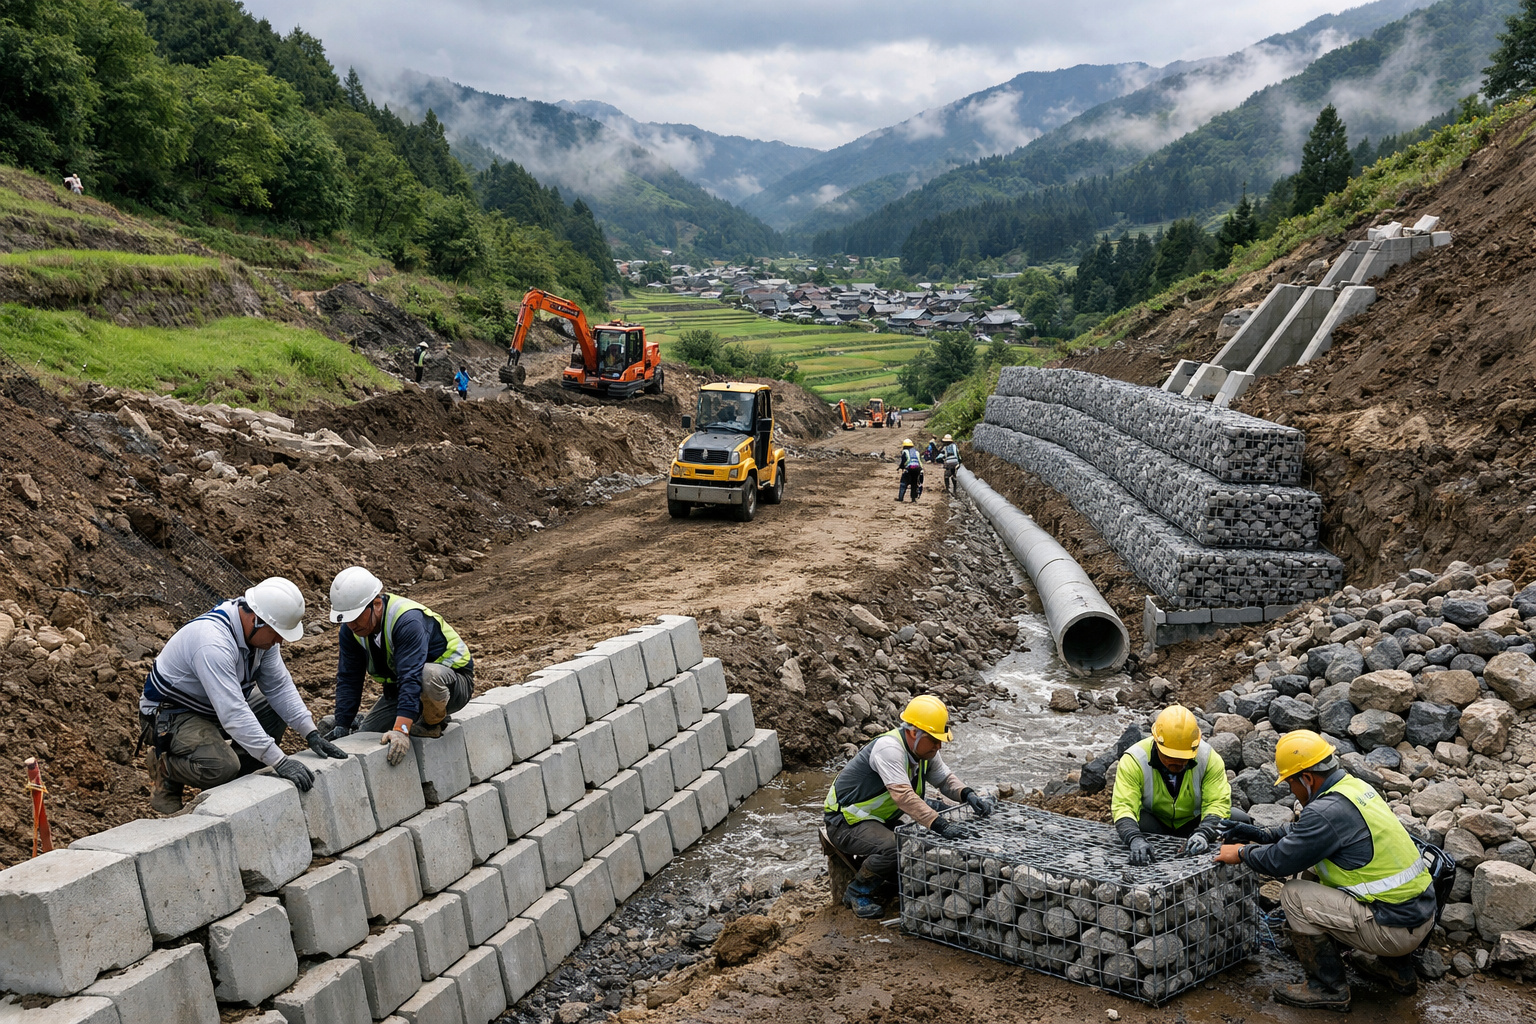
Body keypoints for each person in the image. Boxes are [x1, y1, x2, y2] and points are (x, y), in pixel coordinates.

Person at [1214, 730, 1436, 1010]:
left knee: (1295, 894)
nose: (1291, 790)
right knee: (1319, 870)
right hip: (1419, 915)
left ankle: (1327, 987)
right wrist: (1262, 834)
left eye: (1290, 782)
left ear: (1307, 779)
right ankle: (1397, 970)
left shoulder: (1325, 811)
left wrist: (1241, 853)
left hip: (1394, 931)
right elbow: (1306, 832)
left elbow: (1281, 860)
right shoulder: (1353, 788)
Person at [138, 577, 348, 813]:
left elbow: (278, 687)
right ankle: (165, 768)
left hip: (212, 706)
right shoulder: (212, 643)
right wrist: (279, 761)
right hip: (171, 715)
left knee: (270, 707)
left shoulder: (261, 637)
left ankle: (236, 782)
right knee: (222, 766)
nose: (279, 640)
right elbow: (233, 713)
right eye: (277, 633)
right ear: (256, 619)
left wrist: (311, 733)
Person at [824, 695, 993, 918]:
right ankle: (857, 892)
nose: (939, 746)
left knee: (935, 820)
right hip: (845, 822)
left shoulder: (924, 751)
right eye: (934, 740)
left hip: (879, 816)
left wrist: (967, 794)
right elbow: (903, 796)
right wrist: (941, 826)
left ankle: (887, 875)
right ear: (914, 732)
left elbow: (944, 780)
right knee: (894, 846)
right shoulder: (889, 749)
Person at [325, 566, 475, 764]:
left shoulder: (408, 620)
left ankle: (432, 723)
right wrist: (342, 724)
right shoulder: (351, 630)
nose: (351, 625)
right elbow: (349, 678)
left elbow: (411, 675)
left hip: (451, 685)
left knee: (427, 676)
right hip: (404, 689)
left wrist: (401, 729)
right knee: (365, 735)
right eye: (347, 619)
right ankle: (389, 717)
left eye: (356, 616)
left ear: (377, 604)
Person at [1111, 705, 1232, 866]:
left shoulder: (1208, 759)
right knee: (1126, 829)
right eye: (1170, 756)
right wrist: (1134, 838)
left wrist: (1204, 833)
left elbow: (1217, 802)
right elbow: (1123, 806)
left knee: (1238, 821)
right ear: (1156, 743)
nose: (1178, 762)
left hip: (1193, 822)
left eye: (1183, 758)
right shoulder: (1135, 760)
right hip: (1154, 823)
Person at [896, 438, 923, 502]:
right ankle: (913, 499)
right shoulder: (916, 452)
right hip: (917, 469)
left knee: (903, 483)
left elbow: (903, 461)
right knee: (914, 484)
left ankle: (900, 498)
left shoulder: (905, 452)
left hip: (909, 469)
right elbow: (919, 461)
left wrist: (900, 467)